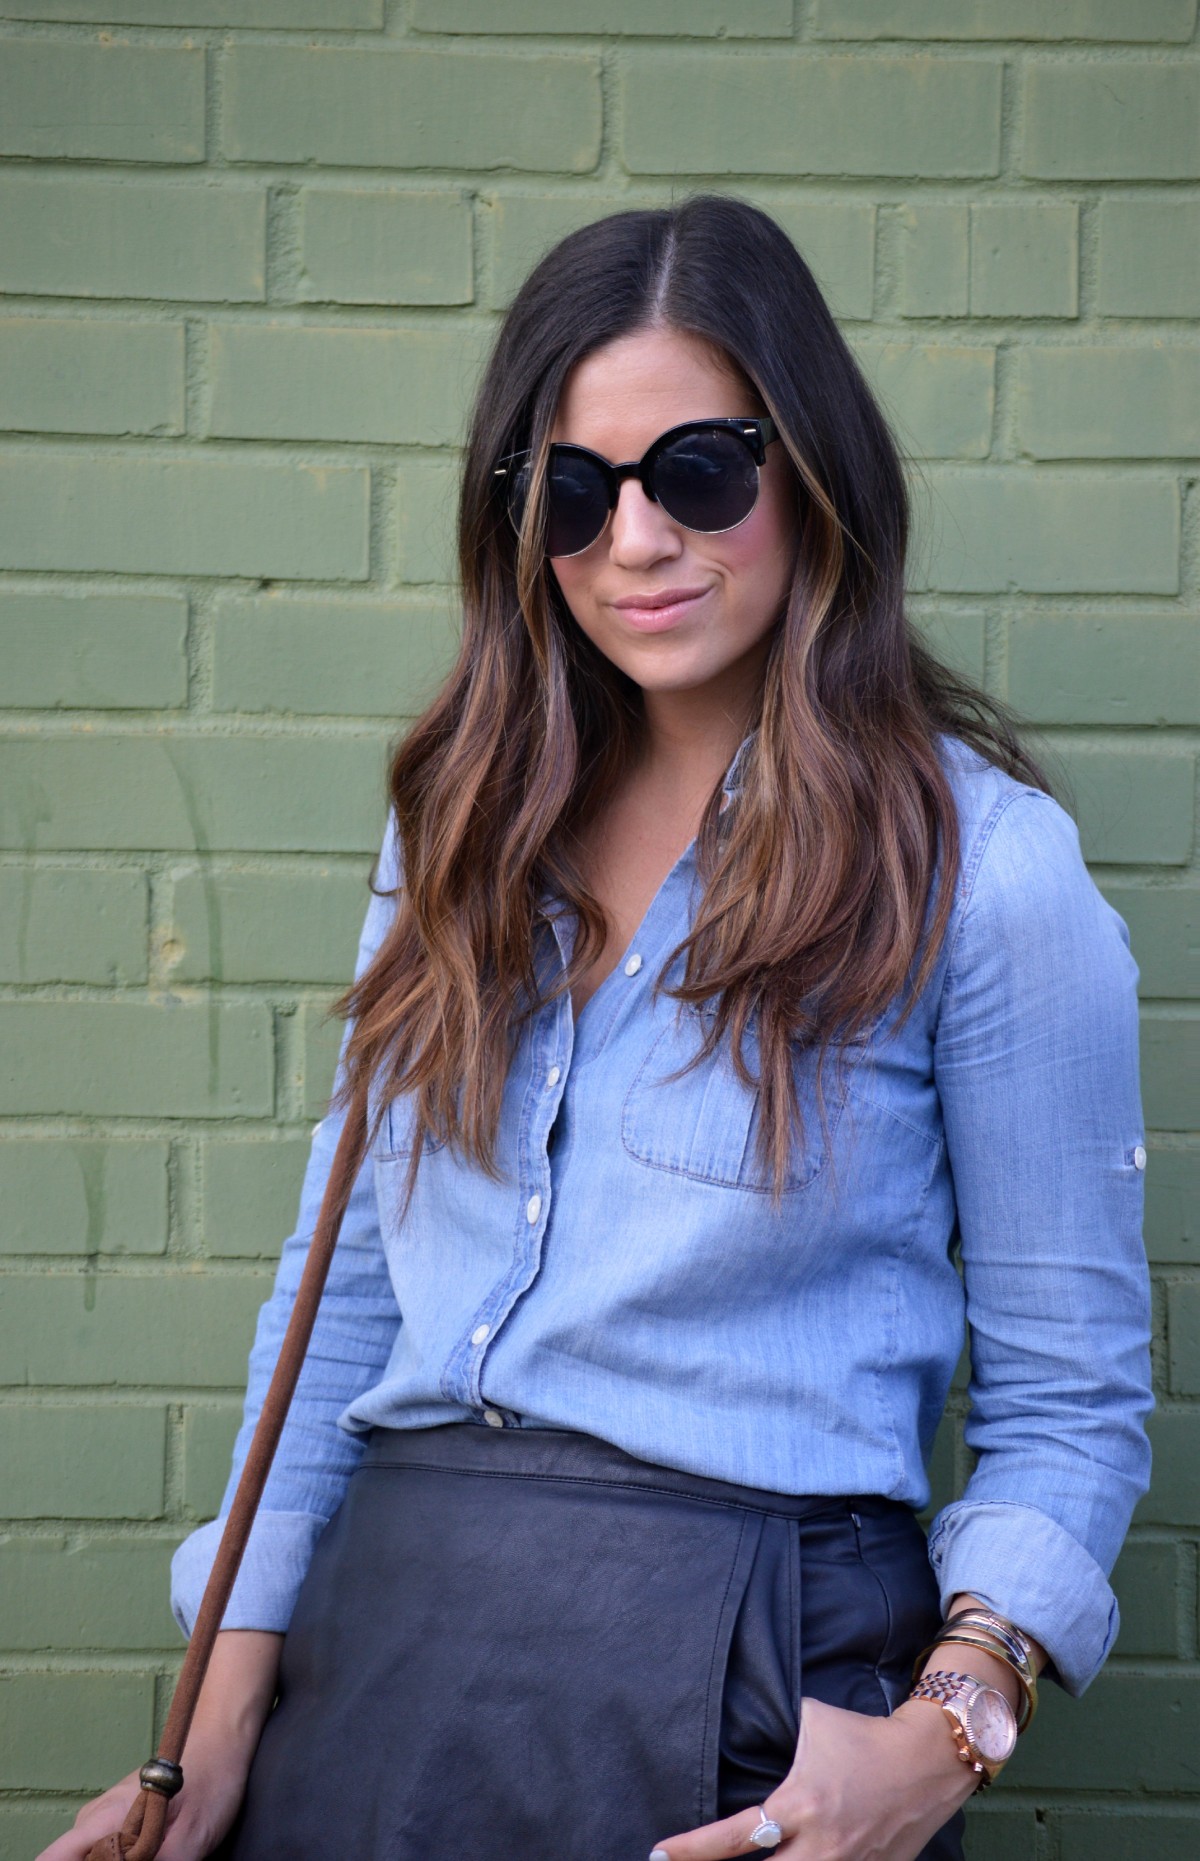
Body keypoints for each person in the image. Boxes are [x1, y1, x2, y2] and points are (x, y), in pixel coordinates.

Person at [46, 195, 1153, 1861]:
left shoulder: (983, 870)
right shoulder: (460, 830)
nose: (634, 539)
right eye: (574, 491)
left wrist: (941, 1741)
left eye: (698, 470)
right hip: (392, 1656)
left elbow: (1071, 1399)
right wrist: (210, 1729)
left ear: (814, 469)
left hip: (749, 1675)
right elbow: (338, 1304)